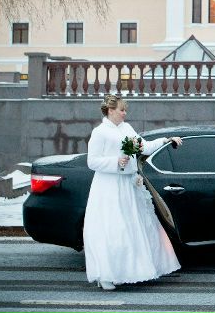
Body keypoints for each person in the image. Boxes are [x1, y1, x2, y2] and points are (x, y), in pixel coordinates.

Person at [83, 95, 184, 291]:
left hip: (128, 185)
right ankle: (105, 274)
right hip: (108, 186)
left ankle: (126, 271)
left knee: (131, 228)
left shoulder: (126, 129)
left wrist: (166, 139)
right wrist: (115, 162)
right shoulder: (100, 132)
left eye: (125, 110)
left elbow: (144, 146)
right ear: (110, 111)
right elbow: (92, 161)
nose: (124, 113)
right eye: (121, 110)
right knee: (112, 229)